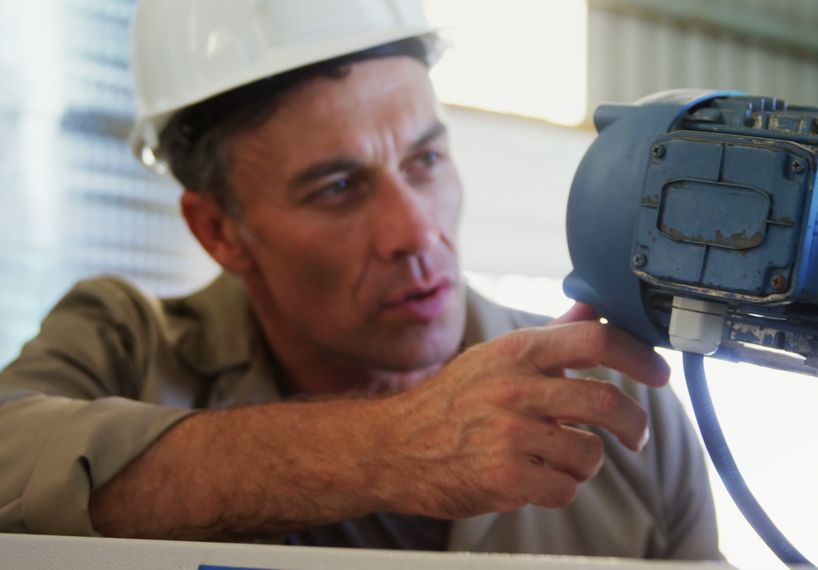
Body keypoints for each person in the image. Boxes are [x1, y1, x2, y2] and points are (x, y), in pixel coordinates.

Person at [0, 0, 718, 559]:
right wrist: (387, 448)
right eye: (338, 186)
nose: (414, 232)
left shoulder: (615, 403)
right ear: (218, 230)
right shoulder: (125, 346)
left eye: (425, 161)